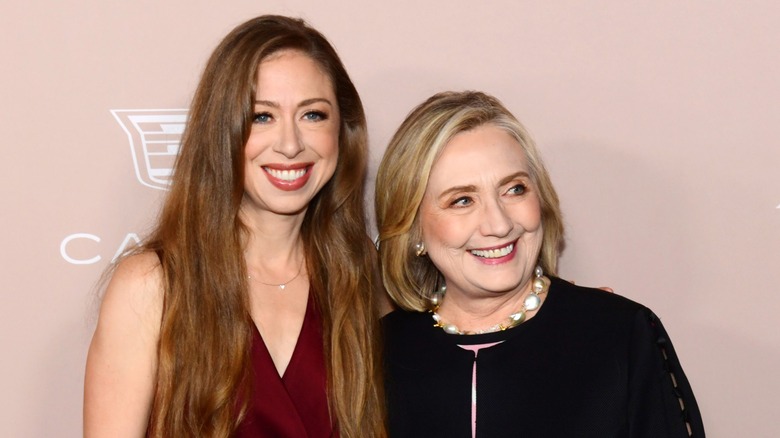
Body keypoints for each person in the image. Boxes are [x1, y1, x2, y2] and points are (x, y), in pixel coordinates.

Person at [84, 15, 385, 437]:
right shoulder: (152, 285)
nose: (290, 144)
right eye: (262, 117)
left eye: (313, 115)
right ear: (222, 131)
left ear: (343, 130)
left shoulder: (359, 272)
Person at [375, 91, 704, 437]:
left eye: (514, 189)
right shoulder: (377, 353)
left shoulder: (619, 336)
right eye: (462, 200)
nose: (499, 224)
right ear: (413, 230)